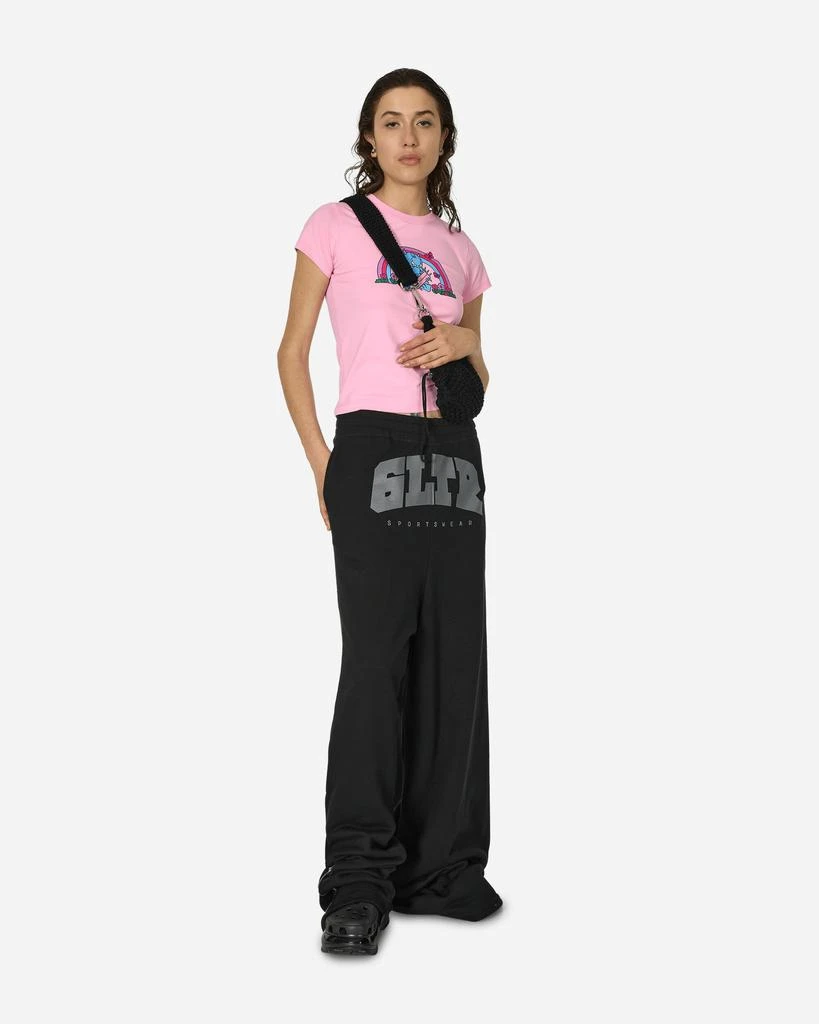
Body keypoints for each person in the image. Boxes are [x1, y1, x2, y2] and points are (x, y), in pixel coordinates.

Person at [278, 68, 503, 956]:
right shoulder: (332, 226)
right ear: (368, 138)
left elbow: (478, 380)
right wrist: (321, 461)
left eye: (424, 122)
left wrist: (465, 341)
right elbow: (291, 352)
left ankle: (439, 867)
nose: (408, 137)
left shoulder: (462, 250)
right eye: (391, 122)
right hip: (368, 448)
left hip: (454, 459)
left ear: (444, 138)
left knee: (454, 665)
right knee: (375, 666)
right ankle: (359, 881)